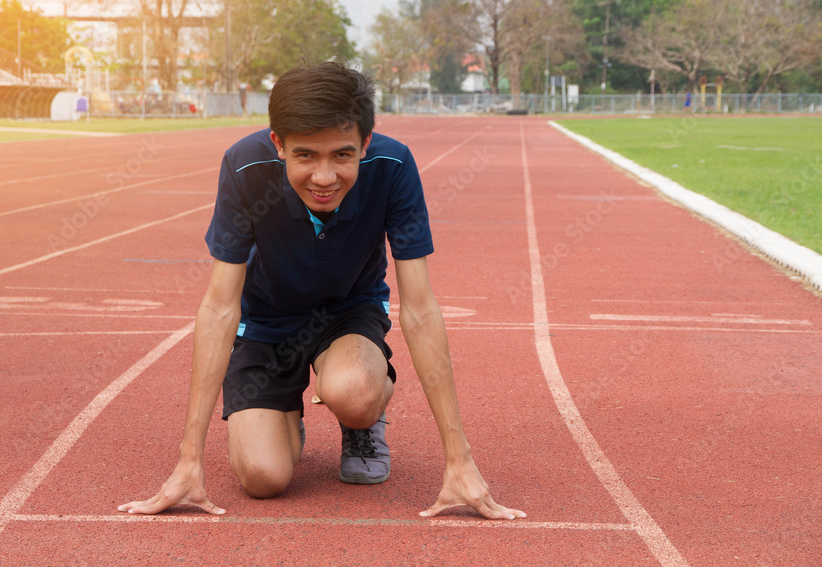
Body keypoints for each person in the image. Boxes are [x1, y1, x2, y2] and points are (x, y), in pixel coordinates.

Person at [119, 62, 525, 520]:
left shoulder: (393, 167)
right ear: (279, 144)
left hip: (349, 313)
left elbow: (420, 308)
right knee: (263, 478)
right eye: (306, 155)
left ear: (365, 144)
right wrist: (188, 462)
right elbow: (218, 306)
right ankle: (287, 416)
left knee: (352, 393)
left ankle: (362, 420)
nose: (325, 177)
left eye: (342, 156)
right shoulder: (244, 166)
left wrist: (460, 460)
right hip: (268, 323)